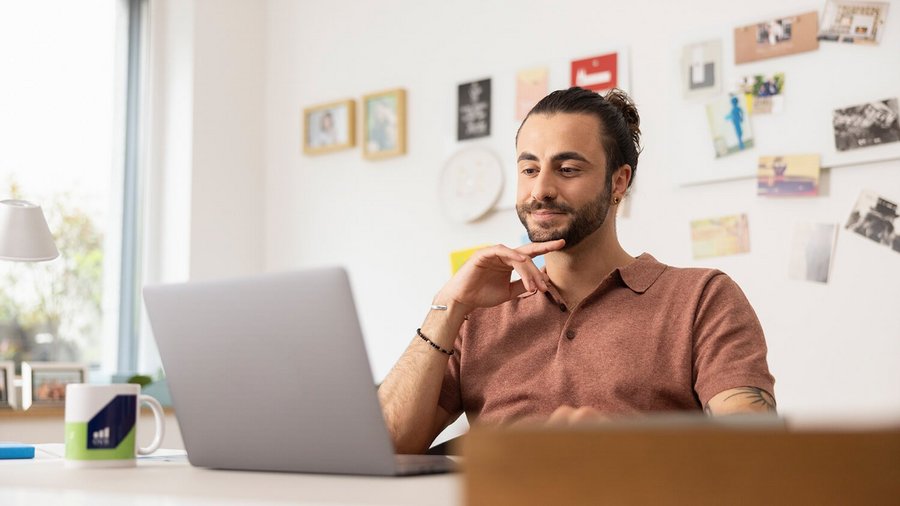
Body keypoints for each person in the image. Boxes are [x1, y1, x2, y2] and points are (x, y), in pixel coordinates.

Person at [378, 87, 776, 454]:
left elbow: (756, 454)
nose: (541, 190)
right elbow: (385, 447)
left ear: (618, 182)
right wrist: (447, 306)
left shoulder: (702, 297)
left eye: (567, 169)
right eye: (529, 170)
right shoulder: (477, 312)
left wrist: (626, 450)